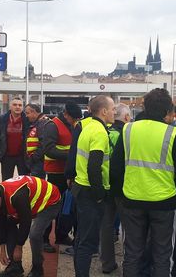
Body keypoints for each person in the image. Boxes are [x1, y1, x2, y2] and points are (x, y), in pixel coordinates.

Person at [111, 89, 176, 277]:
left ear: (144, 107)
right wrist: (173, 191)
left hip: (131, 200)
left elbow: (115, 168)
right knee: (162, 255)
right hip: (163, 202)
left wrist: (121, 194)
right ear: (167, 111)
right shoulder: (174, 134)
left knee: (131, 253)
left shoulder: (128, 130)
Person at [0, 176, 62, 277]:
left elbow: (25, 222)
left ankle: (38, 269)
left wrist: (19, 247)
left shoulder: (17, 197)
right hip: (31, 202)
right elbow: (1, 223)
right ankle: (15, 267)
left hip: (51, 201)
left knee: (34, 234)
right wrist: (2, 249)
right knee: (8, 224)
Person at [73, 95, 115, 277]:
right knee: (88, 242)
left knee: (81, 238)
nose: (114, 112)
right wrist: (99, 195)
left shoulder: (87, 127)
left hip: (81, 187)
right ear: (104, 111)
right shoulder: (99, 132)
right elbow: (94, 166)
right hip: (91, 191)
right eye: (112, 109)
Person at [40, 101, 82, 251]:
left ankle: (62, 234)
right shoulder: (52, 126)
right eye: (74, 118)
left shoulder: (74, 125)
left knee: (67, 208)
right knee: (51, 207)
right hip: (55, 173)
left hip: (68, 172)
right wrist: (71, 155)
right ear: (66, 114)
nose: (76, 121)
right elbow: (48, 149)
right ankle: (44, 239)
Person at [100, 103, 131, 274]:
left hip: (106, 185)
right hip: (123, 187)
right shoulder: (127, 135)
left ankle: (107, 263)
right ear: (126, 117)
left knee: (106, 225)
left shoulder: (105, 132)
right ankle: (129, 261)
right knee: (128, 226)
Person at [0, 97, 29, 180]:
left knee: (25, 181)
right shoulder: (2, 119)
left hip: (23, 157)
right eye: (15, 105)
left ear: (23, 107)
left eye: (20, 105)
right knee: (6, 181)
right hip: (7, 157)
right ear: (10, 107)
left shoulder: (27, 120)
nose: (17, 107)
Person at [24, 103, 49, 179]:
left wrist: (34, 158)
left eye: (27, 113)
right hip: (37, 161)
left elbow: (43, 143)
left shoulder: (42, 123)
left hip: (39, 162)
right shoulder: (38, 122)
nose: (26, 116)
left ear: (34, 112)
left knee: (37, 184)